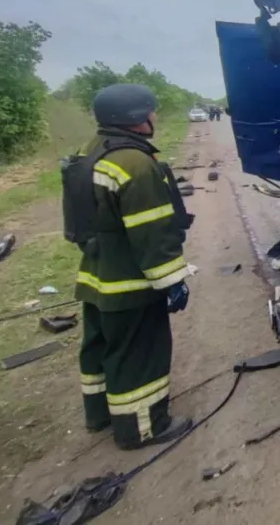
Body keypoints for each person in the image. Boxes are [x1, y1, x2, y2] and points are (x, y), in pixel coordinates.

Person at [62, 83, 194, 450]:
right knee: (138, 352)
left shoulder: (89, 152)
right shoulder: (134, 163)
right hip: (130, 282)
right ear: (135, 119)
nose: (154, 116)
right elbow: (151, 231)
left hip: (96, 275)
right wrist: (172, 281)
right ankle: (144, 427)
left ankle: (101, 414)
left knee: (100, 346)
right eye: (151, 111)